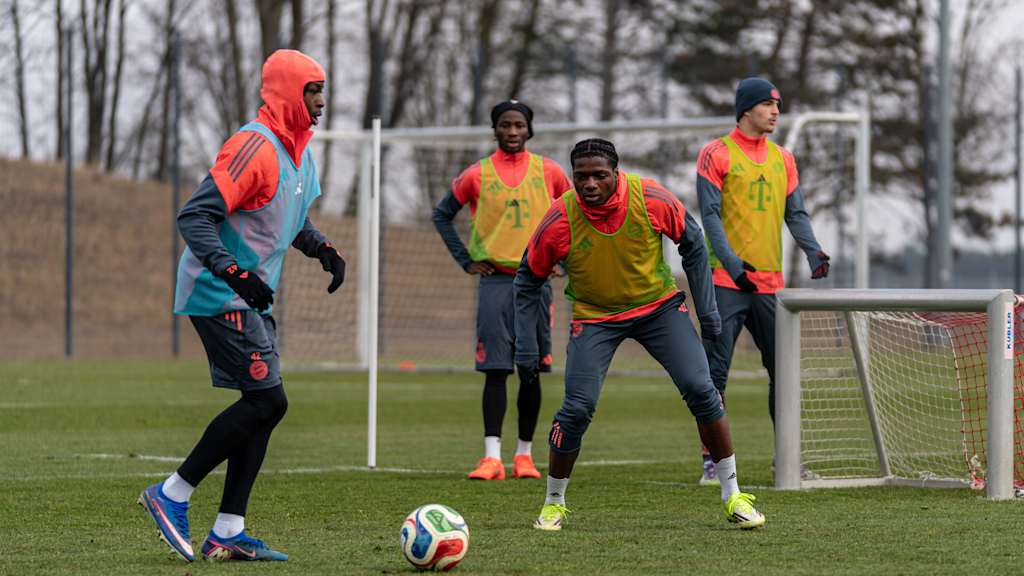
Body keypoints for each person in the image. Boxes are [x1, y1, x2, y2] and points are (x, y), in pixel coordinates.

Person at [137, 49, 346, 563]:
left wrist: (323, 249)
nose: (321, 101)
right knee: (267, 402)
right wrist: (234, 272)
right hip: (219, 293)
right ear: (287, 91)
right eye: (312, 90)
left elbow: (291, 218)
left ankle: (227, 531)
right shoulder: (254, 146)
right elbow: (195, 217)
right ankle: (172, 493)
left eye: (322, 90)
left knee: (264, 409)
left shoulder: (300, 153)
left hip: (248, 295)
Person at [515, 138, 766, 531]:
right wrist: (527, 347)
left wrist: (708, 312)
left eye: (600, 175)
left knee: (703, 390)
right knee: (577, 409)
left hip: (658, 310)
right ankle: (553, 502)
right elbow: (527, 279)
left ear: (617, 173)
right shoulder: (559, 218)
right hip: (595, 318)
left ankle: (733, 494)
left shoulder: (650, 197)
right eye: (581, 177)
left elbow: (694, 245)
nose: (590, 184)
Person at [693, 77, 830, 486]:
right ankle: (711, 462)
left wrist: (813, 250)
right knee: (712, 376)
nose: (775, 112)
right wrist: (735, 266)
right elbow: (710, 216)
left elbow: (796, 214)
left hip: (772, 290)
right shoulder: (715, 153)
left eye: (778, 106)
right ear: (747, 108)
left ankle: (785, 458)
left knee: (783, 373)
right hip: (724, 283)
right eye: (769, 105)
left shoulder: (783, 158)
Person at [432, 100, 572, 481]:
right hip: (494, 283)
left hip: (536, 284)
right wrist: (466, 260)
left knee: (532, 370)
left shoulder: (551, 172)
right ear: (495, 129)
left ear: (529, 130)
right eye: (505, 125)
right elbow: (442, 215)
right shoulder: (476, 175)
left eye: (519, 125)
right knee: (495, 370)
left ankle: (524, 456)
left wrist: (564, 260)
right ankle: (491, 457)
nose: (512, 131)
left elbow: (573, 214)